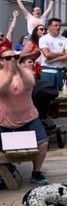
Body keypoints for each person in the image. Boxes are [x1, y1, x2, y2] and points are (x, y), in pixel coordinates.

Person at [0, 47, 49, 185]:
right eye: (8, 58)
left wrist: (19, 68)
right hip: (4, 120)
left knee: (43, 143)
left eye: (14, 57)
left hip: (28, 117)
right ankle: (5, 169)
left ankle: (36, 173)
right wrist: (10, 74)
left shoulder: (26, 72)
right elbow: (1, 89)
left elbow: (30, 83)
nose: (12, 60)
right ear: (1, 62)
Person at [38, 18, 67, 92]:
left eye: (59, 25)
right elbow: (47, 55)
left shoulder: (65, 40)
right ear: (49, 27)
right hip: (48, 71)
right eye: (55, 25)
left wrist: (54, 59)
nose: (58, 27)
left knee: (62, 95)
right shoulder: (43, 39)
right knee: (46, 95)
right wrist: (61, 53)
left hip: (61, 72)